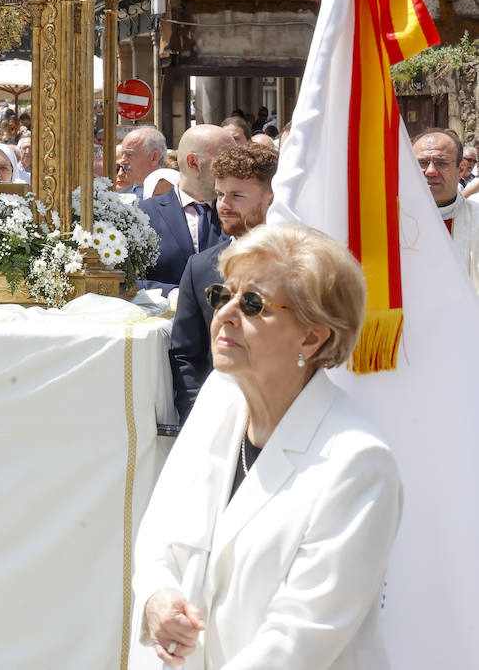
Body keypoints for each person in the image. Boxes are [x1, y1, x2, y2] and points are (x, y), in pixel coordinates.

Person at [131, 222, 402, 669]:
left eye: (253, 304)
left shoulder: (358, 463)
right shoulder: (221, 394)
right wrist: (158, 595)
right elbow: (160, 526)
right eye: (224, 294)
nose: (226, 314)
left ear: (312, 337)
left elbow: (299, 639)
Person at [170, 144, 277, 422]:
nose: (223, 205)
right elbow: (186, 355)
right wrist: (196, 417)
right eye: (219, 195)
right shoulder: (200, 267)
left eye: (237, 196)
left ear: (270, 198)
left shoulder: (297, 262)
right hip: (218, 419)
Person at [139, 125, 236, 293]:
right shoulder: (143, 215)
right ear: (193, 163)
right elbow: (126, 280)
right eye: (225, 159)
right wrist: (173, 294)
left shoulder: (240, 212)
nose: (234, 167)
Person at [412, 127, 479, 292]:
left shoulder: (476, 219)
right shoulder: (388, 222)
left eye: (441, 163)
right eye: (422, 163)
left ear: (461, 168)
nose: (431, 171)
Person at [117, 125, 168, 198]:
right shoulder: (119, 198)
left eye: (129, 154)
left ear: (154, 157)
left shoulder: (178, 198)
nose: (122, 161)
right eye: (122, 154)